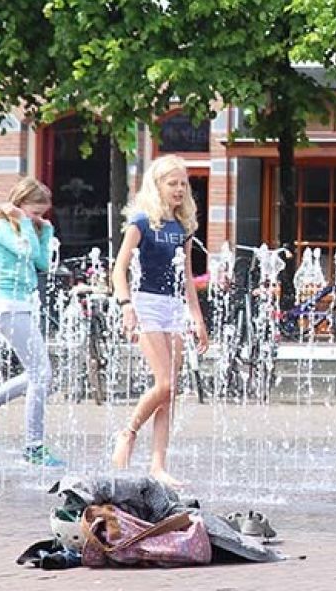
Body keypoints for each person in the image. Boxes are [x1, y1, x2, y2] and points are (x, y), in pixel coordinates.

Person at [110, 155, 209, 488]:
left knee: (171, 391)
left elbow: (187, 277)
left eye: (183, 183)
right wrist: (126, 305)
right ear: (157, 185)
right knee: (164, 383)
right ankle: (129, 432)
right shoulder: (141, 222)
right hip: (146, 304)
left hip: (174, 307)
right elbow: (119, 268)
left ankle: (158, 465)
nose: (179, 189)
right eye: (172, 183)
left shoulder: (183, 228)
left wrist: (196, 317)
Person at [0, 178, 65, 466]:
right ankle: (33, 446)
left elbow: (42, 263)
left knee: (38, 374)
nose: (39, 219)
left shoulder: (23, 228)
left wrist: (46, 230)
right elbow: (28, 252)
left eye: (44, 214)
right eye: (35, 213)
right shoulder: (1, 228)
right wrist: (27, 224)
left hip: (20, 306)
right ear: (18, 206)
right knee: (42, 375)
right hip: (7, 306)